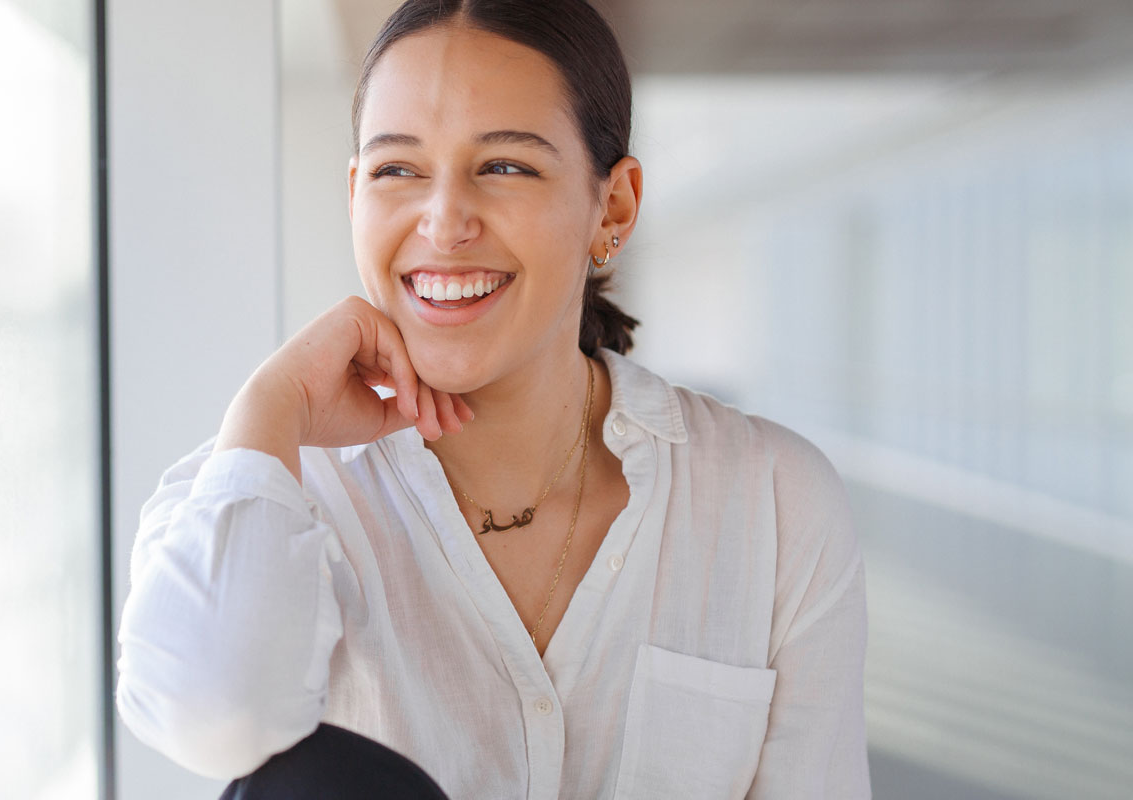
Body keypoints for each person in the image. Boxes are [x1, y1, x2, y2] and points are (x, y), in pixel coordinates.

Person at [112, 0, 871, 797]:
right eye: (397, 169)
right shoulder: (259, 490)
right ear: (353, 197)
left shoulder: (773, 502)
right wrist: (271, 402)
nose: (443, 224)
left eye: (506, 166)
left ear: (611, 208)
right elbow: (212, 722)